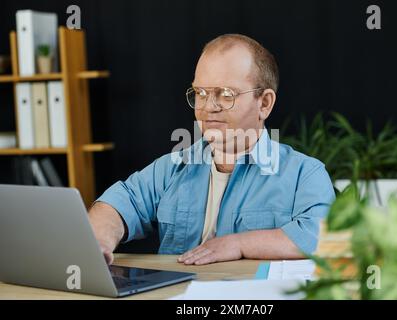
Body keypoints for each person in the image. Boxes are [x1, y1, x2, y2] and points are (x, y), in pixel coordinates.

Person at [88, 34, 335, 266]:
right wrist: (98, 243)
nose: (208, 107)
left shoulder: (304, 175)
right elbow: (117, 205)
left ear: (265, 103)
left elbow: (322, 236)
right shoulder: (172, 168)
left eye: (226, 94)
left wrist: (239, 245)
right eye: (201, 93)